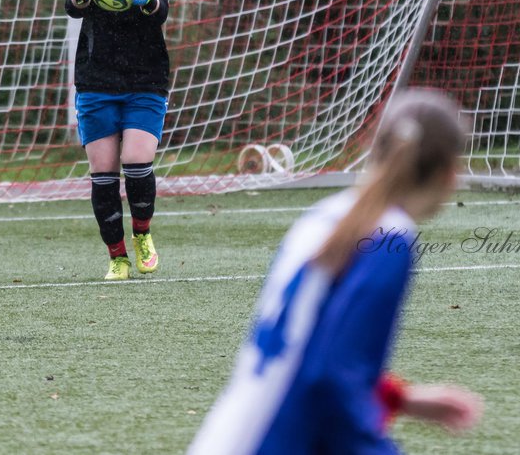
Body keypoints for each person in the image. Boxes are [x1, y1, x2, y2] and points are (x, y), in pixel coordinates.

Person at [188, 89, 483, 454]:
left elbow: (306, 346)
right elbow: (330, 381)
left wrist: (399, 399)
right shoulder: (389, 239)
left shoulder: (325, 216)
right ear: (446, 172)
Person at [65, 0, 172, 281]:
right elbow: (71, 8)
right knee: (104, 172)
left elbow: (160, 12)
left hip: (146, 79)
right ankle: (118, 258)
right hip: (97, 79)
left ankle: (142, 234)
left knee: (137, 161)